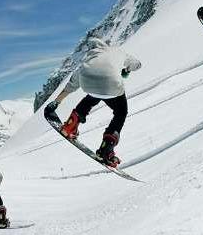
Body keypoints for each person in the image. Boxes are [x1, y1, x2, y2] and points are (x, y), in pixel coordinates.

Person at [43, 37, 142, 167]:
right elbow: (137, 64)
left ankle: (70, 125)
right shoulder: (118, 52)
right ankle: (106, 148)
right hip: (112, 84)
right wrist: (127, 69)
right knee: (121, 112)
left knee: (93, 96)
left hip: (88, 82)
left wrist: (56, 102)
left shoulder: (89, 60)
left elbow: (71, 85)